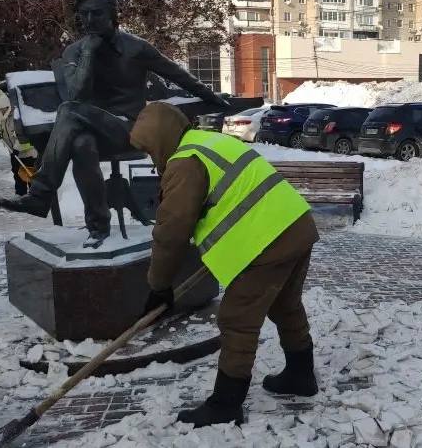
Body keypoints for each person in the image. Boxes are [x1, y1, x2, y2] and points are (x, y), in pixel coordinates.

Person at [129, 102, 319, 428]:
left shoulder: (185, 163)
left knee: (237, 321)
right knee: (285, 305)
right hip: (295, 226)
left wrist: (159, 286)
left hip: (266, 242)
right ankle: (300, 375)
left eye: (149, 150)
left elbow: (171, 232)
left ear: (159, 139)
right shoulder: (210, 142)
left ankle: (225, 404)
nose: (151, 157)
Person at [0, 0, 230, 247]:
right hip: (96, 132)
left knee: (69, 112)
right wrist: (89, 53)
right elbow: (75, 94)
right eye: (84, 14)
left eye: (96, 13)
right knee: (81, 143)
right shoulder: (75, 52)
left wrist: (214, 98)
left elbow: (178, 75)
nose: (89, 20)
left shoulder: (136, 48)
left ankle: (40, 195)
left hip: (131, 131)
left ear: (112, 14)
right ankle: (98, 228)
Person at [0, 89, 38, 196]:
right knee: (18, 174)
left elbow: (22, 135)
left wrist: (16, 148)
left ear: (8, 106)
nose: (2, 111)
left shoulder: (17, 116)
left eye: (3, 109)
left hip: (28, 153)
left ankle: (35, 197)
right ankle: (20, 196)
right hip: (13, 152)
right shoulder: (0, 114)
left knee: (30, 175)